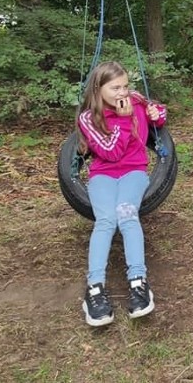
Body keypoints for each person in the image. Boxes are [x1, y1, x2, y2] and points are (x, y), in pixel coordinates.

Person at [76, 61, 167, 326]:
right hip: (103, 174)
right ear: (98, 88)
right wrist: (125, 121)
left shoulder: (135, 101)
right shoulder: (88, 118)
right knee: (106, 220)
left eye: (125, 86)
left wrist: (155, 114)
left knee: (127, 215)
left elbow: (160, 116)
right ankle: (94, 288)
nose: (122, 93)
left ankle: (138, 283)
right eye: (115, 87)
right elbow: (112, 152)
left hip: (134, 172)